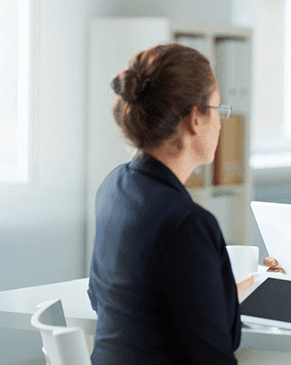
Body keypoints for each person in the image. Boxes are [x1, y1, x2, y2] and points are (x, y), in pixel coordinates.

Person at [87, 44, 253, 364]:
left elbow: (103, 297)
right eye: (218, 110)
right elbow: (215, 355)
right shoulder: (187, 222)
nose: (221, 122)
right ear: (195, 119)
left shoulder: (114, 187)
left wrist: (216, 294)